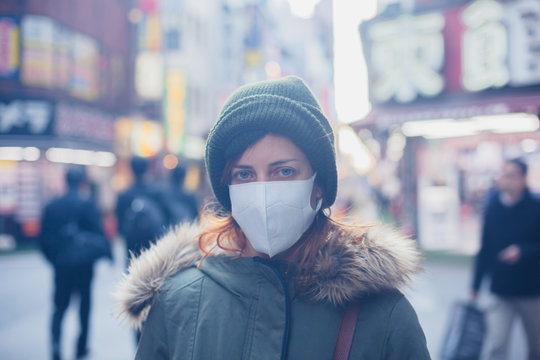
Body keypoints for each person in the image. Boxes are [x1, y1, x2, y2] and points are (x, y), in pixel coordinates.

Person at [114, 76, 430, 359]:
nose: (263, 191)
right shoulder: (176, 305)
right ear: (228, 190)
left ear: (318, 185)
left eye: (284, 171)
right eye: (244, 174)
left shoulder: (383, 316)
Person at [471, 158, 540, 360]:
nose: (506, 180)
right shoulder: (493, 206)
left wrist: (522, 251)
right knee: (497, 345)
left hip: (532, 290)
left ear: (523, 178)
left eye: (512, 175)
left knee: (535, 347)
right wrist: (475, 286)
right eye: (504, 174)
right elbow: (484, 247)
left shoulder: (536, 206)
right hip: (500, 288)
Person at [40, 168, 109, 360]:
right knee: (84, 307)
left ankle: (55, 344)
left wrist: (55, 260)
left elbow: (43, 240)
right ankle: (81, 345)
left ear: (65, 180)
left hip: (61, 266)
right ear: (81, 182)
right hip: (84, 266)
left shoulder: (52, 206)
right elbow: (99, 235)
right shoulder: (87, 204)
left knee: (59, 307)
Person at [115, 156, 168, 261]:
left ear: (131, 169)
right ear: (147, 169)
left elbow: (120, 224)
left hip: (132, 243)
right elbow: (164, 217)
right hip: (153, 242)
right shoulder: (156, 193)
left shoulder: (125, 195)